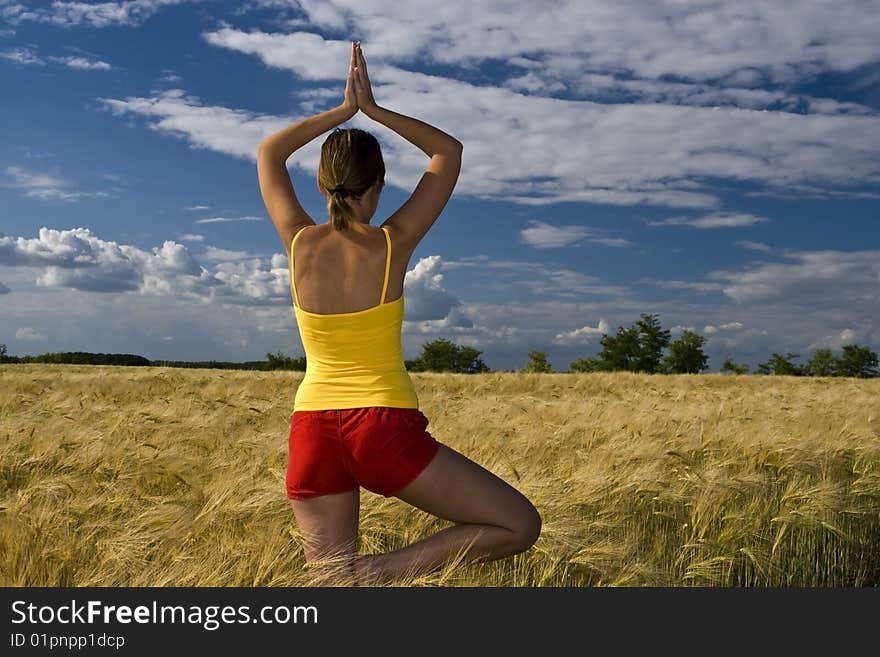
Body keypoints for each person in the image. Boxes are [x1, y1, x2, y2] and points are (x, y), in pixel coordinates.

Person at [256, 41, 541, 585]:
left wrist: (340, 113)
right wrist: (373, 110)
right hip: (382, 429)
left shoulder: (297, 243)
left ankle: (351, 578)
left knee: (329, 586)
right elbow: (447, 153)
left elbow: (270, 153)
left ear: (322, 184)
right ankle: (378, 572)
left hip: (311, 431)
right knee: (517, 524)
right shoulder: (391, 244)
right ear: (380, 184)